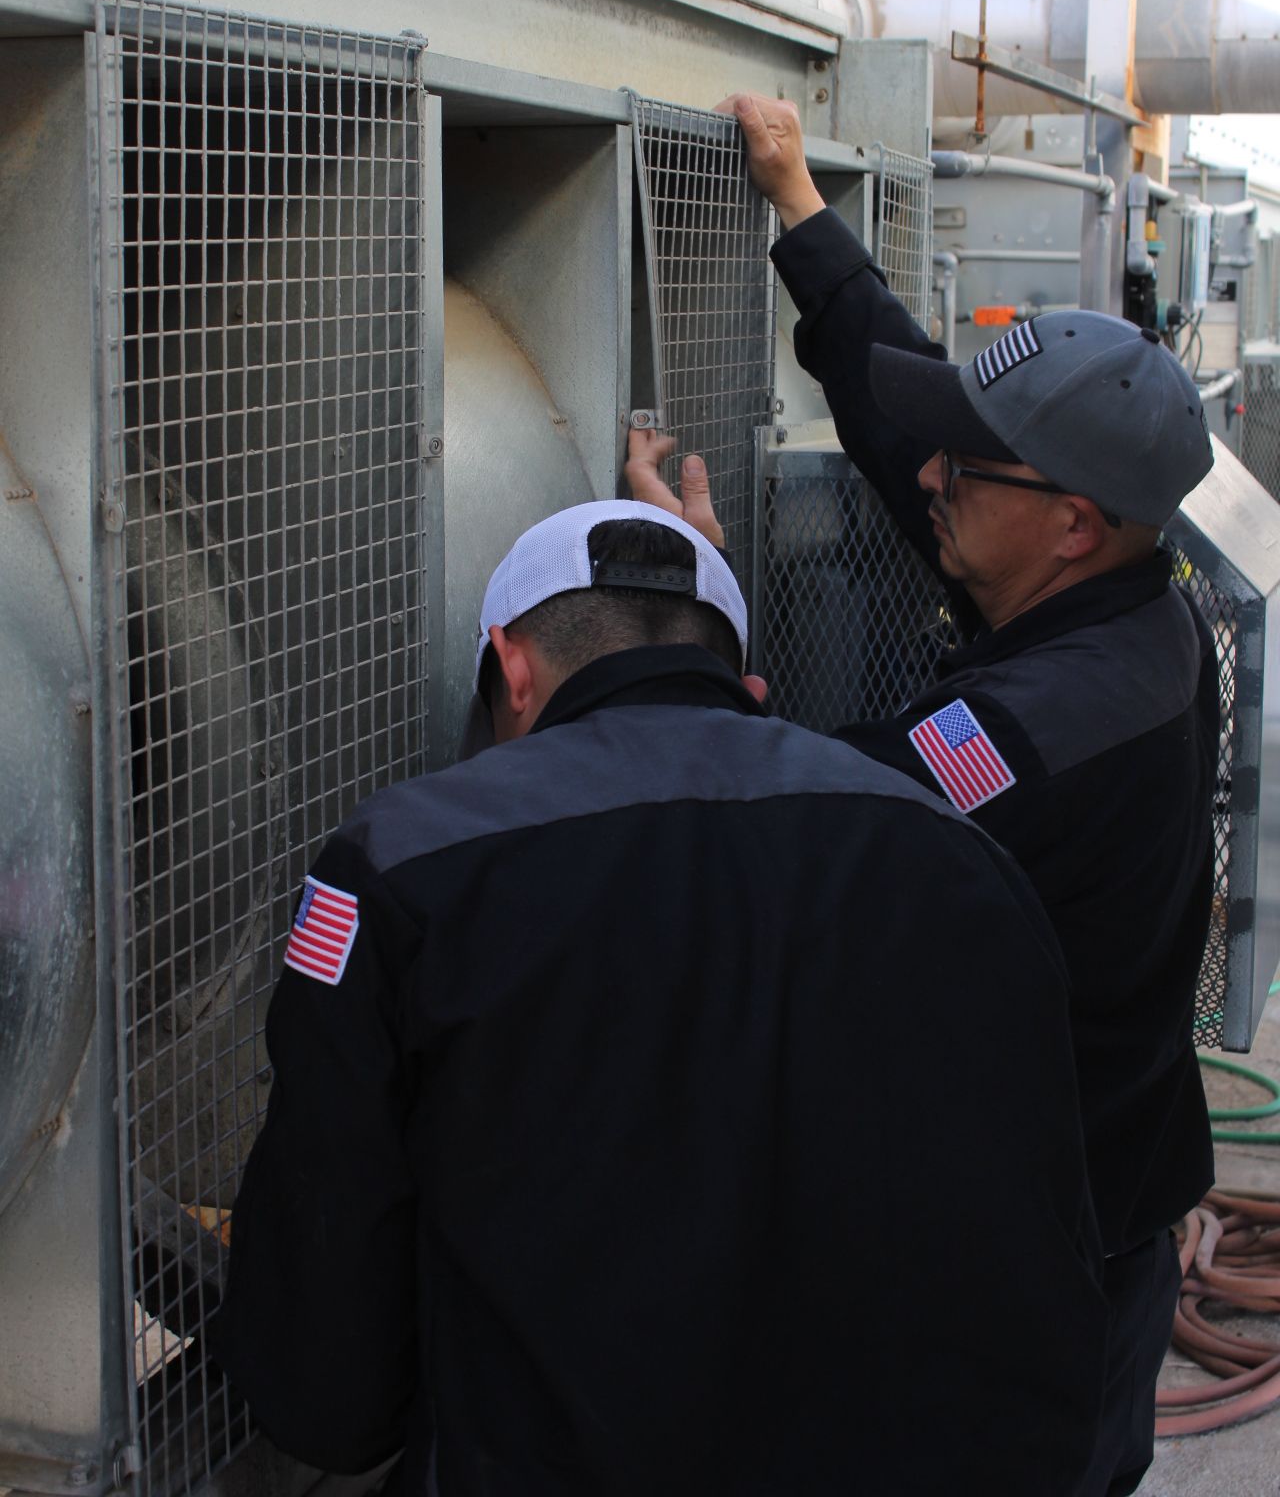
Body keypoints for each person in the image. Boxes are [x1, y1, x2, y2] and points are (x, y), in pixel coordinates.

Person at [213, 499, 1107, 1496]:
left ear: (510, 667)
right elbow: (1040, 1231)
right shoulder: (953, 853)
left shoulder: (400, 867)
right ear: (747, 685)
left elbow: (328, 1305)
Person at [628, 91, 1219, 1497]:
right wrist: (797, 205)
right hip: (1089, 1181)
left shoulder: (1032, 732)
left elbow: (808, 806)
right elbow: (924, 437)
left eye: (975, 463)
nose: (931, 475)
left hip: (1039, 1268)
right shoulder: (1118, 589)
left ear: (1071, 524)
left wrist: (687, 601)